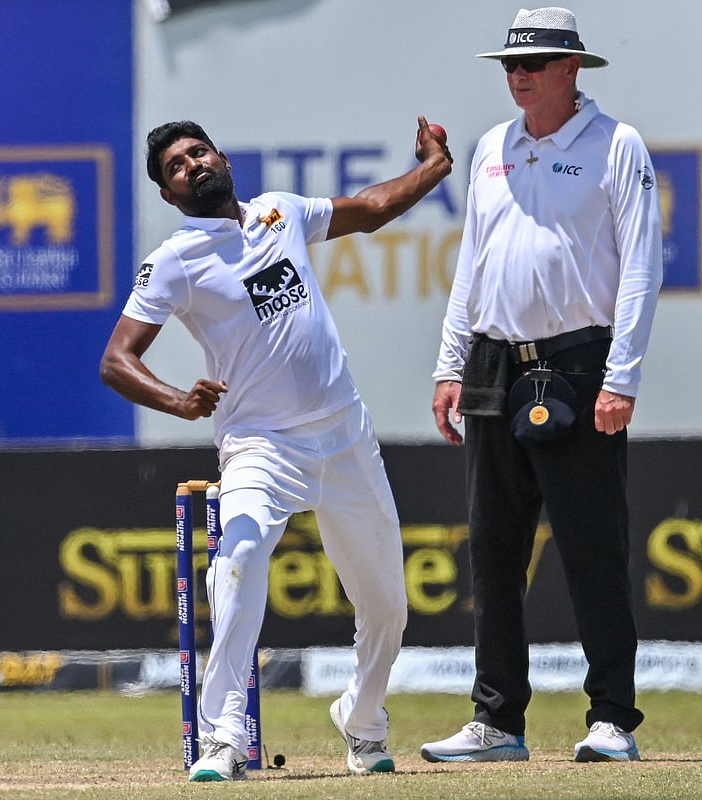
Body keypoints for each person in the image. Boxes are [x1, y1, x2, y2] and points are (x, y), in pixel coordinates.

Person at [101, 118, 453, 781]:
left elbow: (374, 209)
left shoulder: (279, 213)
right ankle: (223, 739)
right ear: (171, 196)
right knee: (234, 564)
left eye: (197, 152)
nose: (190, 165)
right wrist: (180, 401)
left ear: (223, 157)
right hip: (261, 446)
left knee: (387, 605)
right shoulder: (175, 258)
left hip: (345, 433)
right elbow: (116, 360)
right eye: (175, 167)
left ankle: (362, 722)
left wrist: (434, 165)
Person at [423, 7, 661, 764]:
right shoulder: (492, 147)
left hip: (581, 362)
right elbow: (473, 262)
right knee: (492, 549)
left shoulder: (616, 145)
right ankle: (497, 720)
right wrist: (449, 363)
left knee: (592, 545)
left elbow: (642, 269)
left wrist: (620, 376)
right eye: (509, 64)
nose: (517, 74)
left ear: (572, 69)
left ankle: (612, 719)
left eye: (535, 62)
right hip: (493, 362)